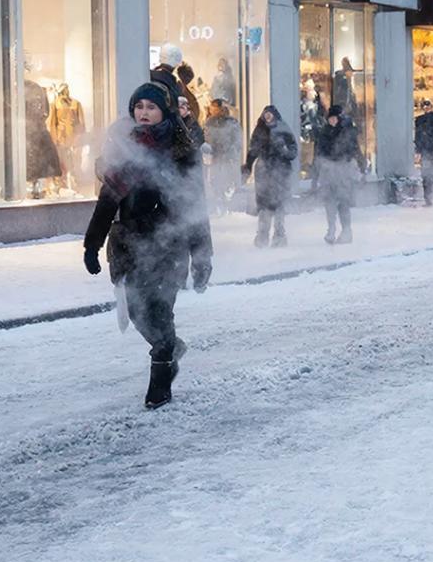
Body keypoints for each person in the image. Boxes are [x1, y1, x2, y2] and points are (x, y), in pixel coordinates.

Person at [82, 80, 212, 409]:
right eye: (139, 107)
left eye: (151, 107)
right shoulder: (122, 148)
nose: (144, 113)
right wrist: (92, 243)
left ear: (163, 111)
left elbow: (195, 204)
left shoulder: (182, 151)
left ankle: (160, 378)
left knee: (160, 311)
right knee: (138, 311)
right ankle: (169, 348)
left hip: (169, 243)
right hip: (129, 244)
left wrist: (202, 257)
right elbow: (108, 199)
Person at [242, 105, 298, 248]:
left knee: (279, 204)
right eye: (265, 114)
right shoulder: (259, 130)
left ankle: (279, 236)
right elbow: (252, 150)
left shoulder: (283, 128)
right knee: (264, 205)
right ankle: (262, 235)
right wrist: (247, 167)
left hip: (281, 171)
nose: (267, 116)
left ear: (275, 115)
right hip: (264, 171)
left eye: (269, 114)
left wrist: (283, 149)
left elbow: (293, 152)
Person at [314, 104, 364, 244]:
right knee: (329, 202)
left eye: (334, 118)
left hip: (343, 171)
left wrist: (360, 167)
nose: (332, 121)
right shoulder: (324, 132)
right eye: (330, 118)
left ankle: (346, 231)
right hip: (328, 171)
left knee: (343, 203)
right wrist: (317, 171)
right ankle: (331, 230)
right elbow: (318, 152)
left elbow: (355, 150)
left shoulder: (347, 132)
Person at [202, 99, 243, 214]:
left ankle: (229, 206)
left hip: (227, 157)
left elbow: (237, 140)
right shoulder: (209, 122)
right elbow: (205, 138)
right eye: (212, 109)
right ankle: (218, 205)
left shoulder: (231, 122)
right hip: (214, 157)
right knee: (214, 182)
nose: (213, 111)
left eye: (215, 109)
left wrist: (232, 153)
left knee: (228, 181)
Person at [414, 99, 433, 207]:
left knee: (430, 174)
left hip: (432, 150)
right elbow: (418, 137)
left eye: (427, 107)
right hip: (429, 150)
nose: (426, 109)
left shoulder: (432, 120)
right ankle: (430, 197)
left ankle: (430, 196)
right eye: (425, 107)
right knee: (429, 174)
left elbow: (418, 136)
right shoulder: (422, 120)